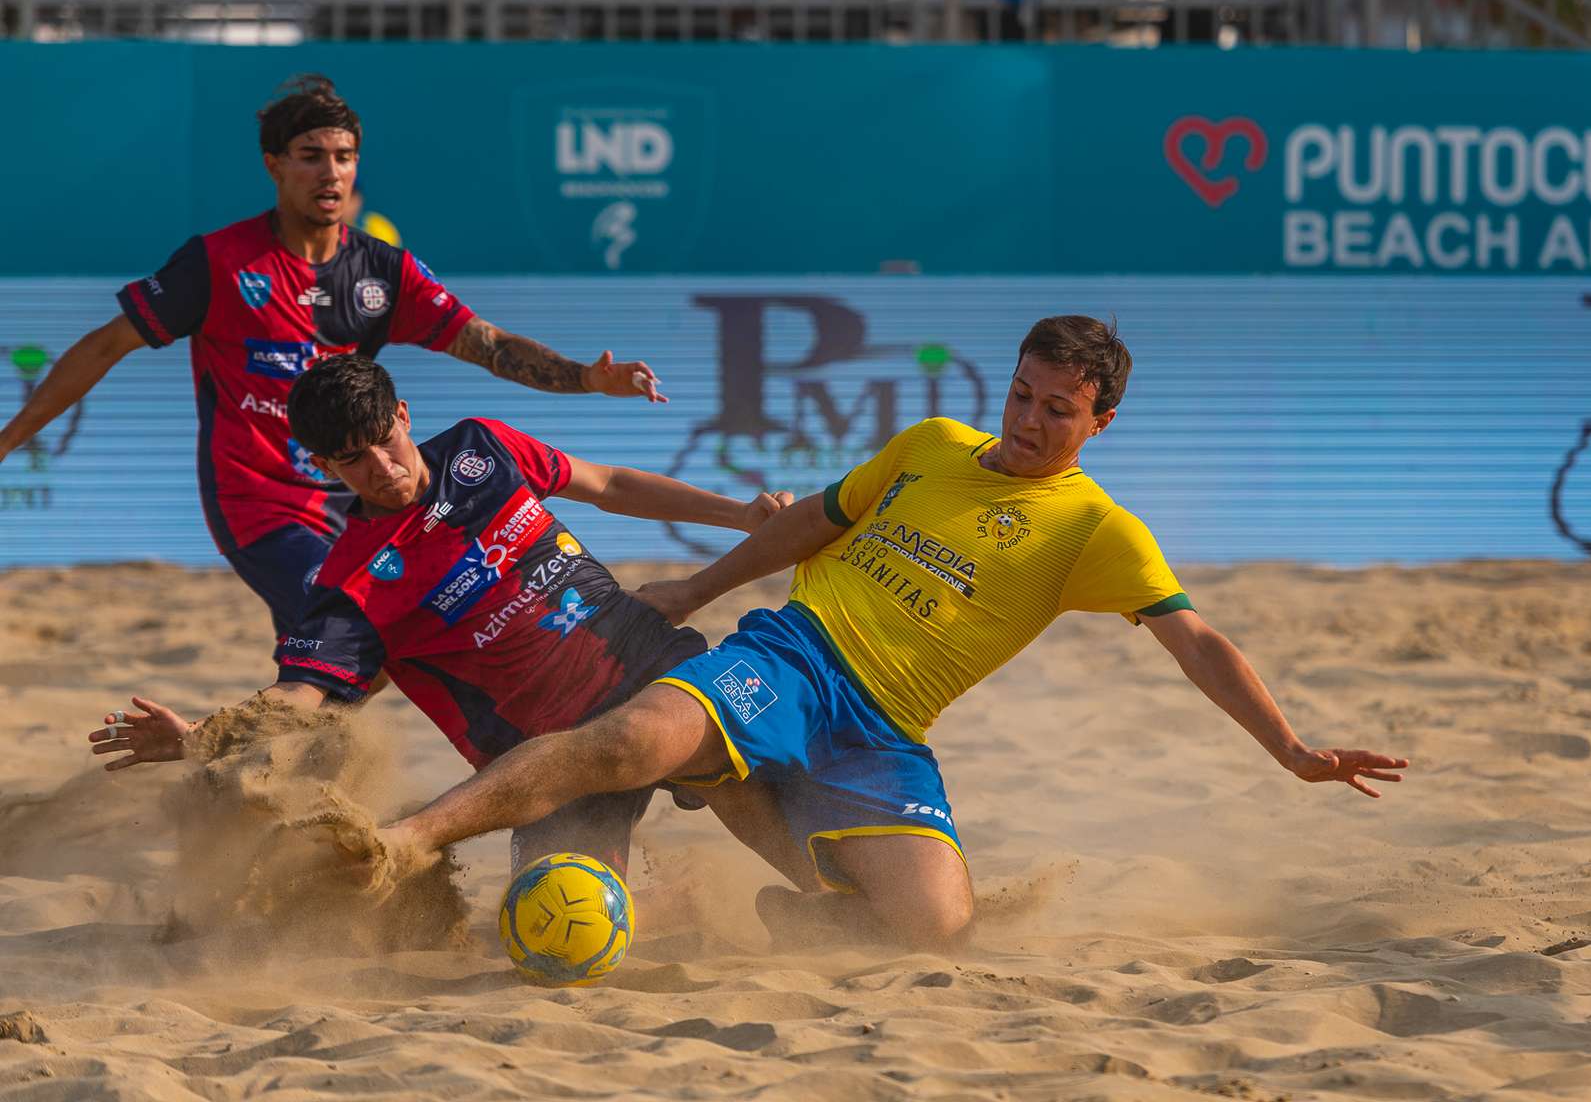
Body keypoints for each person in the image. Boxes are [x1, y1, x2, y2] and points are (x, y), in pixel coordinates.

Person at [352, 315, 1411, 952]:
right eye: (1023, 394)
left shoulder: (1099, 528)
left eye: (1059, 410)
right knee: (630, 741)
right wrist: (696, 589)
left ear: (1101, 423)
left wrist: (1290, 748)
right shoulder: (933, 443)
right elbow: (814, 521)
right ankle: (410, 841)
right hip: (794, 657)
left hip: (886, 729)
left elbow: (1198, 641)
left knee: (937, 936)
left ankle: (788, 893)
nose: (1029, 420)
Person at [0, 75, 670, 638]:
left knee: (372, 644)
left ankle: (271, 743)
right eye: (310, 156)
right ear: (274, 165)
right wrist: (8, 441)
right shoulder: (219, 263)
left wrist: (588, 377)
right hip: (258, 502)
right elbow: (103, 345)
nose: (331, 172)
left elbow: (489, 346)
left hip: (359, 495)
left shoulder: (384, 271)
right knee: (345, 625)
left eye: (344, 156)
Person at [87, 355, 793, 879]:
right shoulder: (351, 581)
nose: (381, 468)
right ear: (323, 467)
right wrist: (202, 737)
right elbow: (302, 694)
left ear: (403, 415)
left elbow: (608, 484)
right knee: (558, 929)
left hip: (644, 661)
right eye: (353, 460)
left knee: (756, 788)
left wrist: (739, 515)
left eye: (384, 440)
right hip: (549, 757)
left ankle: (821, 897)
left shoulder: (480, 448)